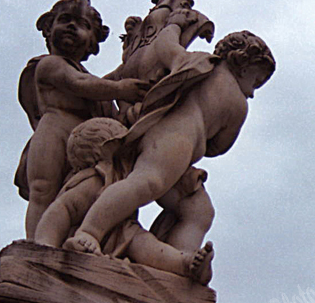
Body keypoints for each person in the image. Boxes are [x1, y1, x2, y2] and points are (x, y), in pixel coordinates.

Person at [64, 30, 274, 255]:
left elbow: (165, 47)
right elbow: (220, 146)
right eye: (256, 81)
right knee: (146, 183)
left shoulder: (197, 62)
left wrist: (174, 26)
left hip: (173, 149)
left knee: (199, 210)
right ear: (243, 65)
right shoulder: (238, 103)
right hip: (175, 142)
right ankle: (89, 232)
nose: (252, 93)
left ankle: (180, 263)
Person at [14, 0, 147, 239]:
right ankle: (35, 245)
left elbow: (100, 85)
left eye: (83, 25)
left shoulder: (94, 82)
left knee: (80, 195)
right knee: (44, 190)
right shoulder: (49, 65)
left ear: (92, 44)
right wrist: (121, 88)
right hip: (54, 132)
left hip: (86, 145)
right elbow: (80, 83)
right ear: (48, 29)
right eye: (65, 20)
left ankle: (66, 239)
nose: (72, 27)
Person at [35, 117, 214, 283]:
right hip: (85, 239)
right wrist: (45, 247)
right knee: (141, 242)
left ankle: (185, 263)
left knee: (146, 244)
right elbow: (61, 210)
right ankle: (184, 263)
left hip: (124, 230)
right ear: (108, 149)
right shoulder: (95, 180)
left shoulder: (123, 178)